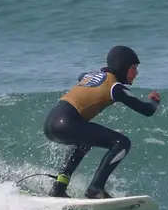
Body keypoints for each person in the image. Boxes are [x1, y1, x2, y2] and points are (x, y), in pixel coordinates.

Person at [43, 45, 160, 198]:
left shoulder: (91, 76)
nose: (136, 73)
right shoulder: (115, 87)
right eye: (133, 68)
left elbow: (81, 75)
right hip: (68, 123)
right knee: (122, 143)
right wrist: (154, 100)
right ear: (123, 67)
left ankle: (59, 186)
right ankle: (96, 188)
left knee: (84, 142)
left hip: (52, 122)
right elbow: (147, 110)